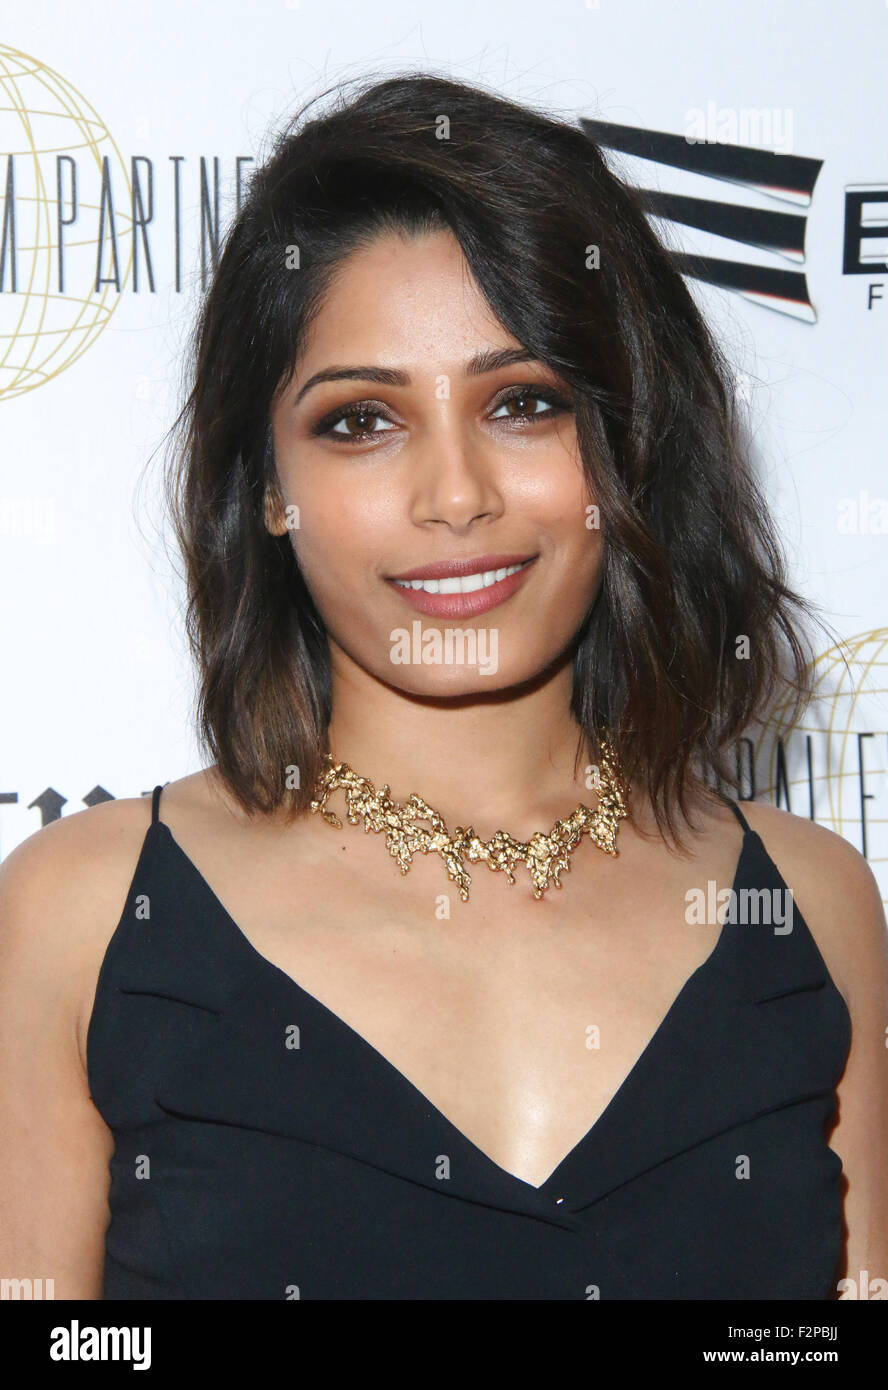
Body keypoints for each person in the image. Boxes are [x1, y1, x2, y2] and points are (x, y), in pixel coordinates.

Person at [1, 72, 886, 1301]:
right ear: (266, 486)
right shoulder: (81, 916)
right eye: (361, 421)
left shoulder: (808, 904)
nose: (455, 495)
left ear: (627, 442)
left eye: (523, 403)